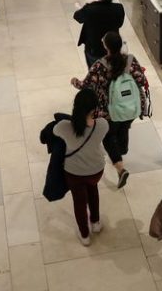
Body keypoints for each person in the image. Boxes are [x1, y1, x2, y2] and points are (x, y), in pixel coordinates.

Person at [70, 32, 148, 189]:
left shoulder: (100, 65)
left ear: (106, 46)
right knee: (124, 125)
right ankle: (122, 148)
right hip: (132, 107)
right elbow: (142, 80)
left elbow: (86, 85)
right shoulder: (131, 60)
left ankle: (120, 168)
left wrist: (74, 82)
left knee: (108, 135)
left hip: (109, 111)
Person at [52, 89, 109, 246]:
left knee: (79, 201)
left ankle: (84, 235)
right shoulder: (102, 125)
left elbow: (54, 131)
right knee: (93, 190)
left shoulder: (64, 127)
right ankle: (96, 223)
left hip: (74, 172)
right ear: (94, 108)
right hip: (96, 170)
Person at [73, 0, 125, 68]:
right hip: (112, 48)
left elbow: (77, 17)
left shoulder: (90, 9)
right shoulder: (118, 8)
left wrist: (83, 6)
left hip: (94, 49)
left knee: (94, 72)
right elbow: (119, 24)